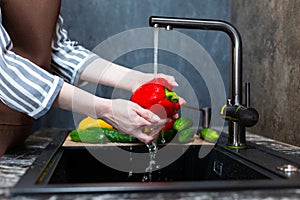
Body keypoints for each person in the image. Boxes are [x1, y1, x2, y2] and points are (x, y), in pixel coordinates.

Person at [0, 0, 183, 156]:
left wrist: (134, 79)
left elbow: (58, 49)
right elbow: (4, 70)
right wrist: (105, 109)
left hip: (14, 136)